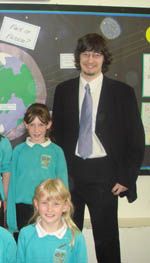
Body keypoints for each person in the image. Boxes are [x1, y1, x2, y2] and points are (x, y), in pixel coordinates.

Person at [52, 33, 145, 263]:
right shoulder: (63, 90)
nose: (90, 60)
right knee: (65, 239)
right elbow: (57, 136)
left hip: (105, 177)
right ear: (78, 57)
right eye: (85, 54)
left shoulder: (122, 93)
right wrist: (58, 176)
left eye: (96, 54)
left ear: (104, 58)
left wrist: (126, 177)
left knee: (107, 242)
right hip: (70, 176)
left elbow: (136, 139)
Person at [7, 103, 68, 238]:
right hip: (22, 209)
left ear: (49, 125)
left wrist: (63, 215)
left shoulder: (56, 151)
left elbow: (63, 187)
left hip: (48, 209)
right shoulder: (18, 151)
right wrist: (12, 220)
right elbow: (11, 186)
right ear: (26, 125)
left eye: (41, 124)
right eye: (32, 124)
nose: (36, 129)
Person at [17, 178, 87, 263]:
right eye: (44, 203)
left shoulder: (76, 237)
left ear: (65, 206)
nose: (49, 209)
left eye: (56, 204)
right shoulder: (25, 234)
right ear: (36, 204)